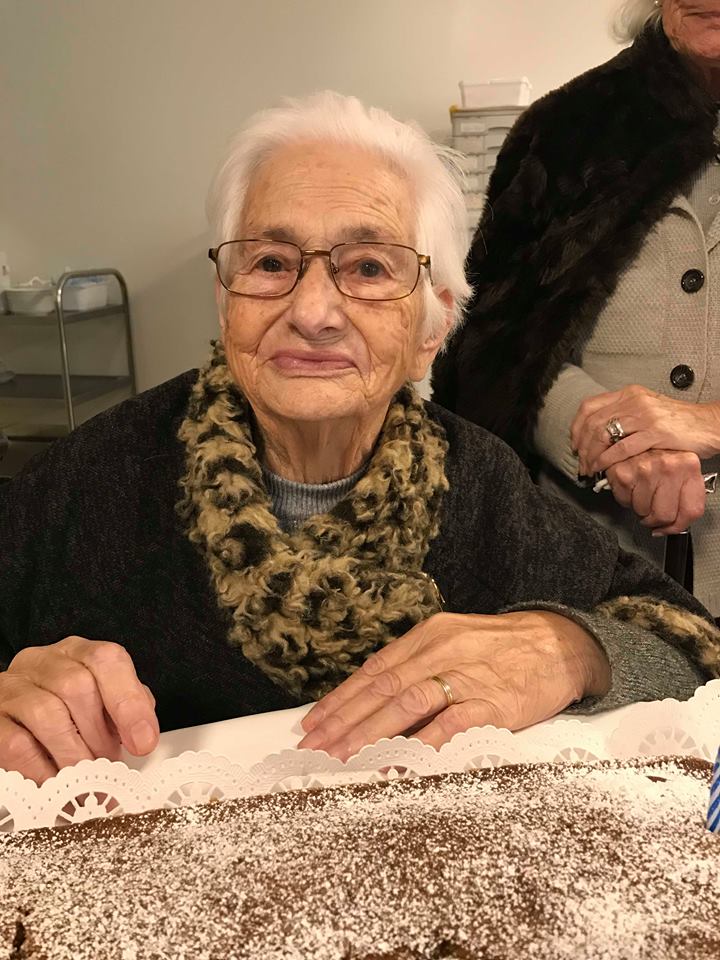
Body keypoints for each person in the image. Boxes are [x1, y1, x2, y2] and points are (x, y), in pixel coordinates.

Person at [0, 92, 717, 786]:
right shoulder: (94, 477)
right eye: (271, 263)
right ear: (225, 298)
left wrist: (573, 648)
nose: (313, 312)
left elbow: (689, 638)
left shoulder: (481, 485)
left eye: (369, 268)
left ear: (432, 329)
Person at [433, 0, 720, 618]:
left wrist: (708, 423)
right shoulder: (565, 131)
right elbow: (493, 346)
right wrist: (611, 438)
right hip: (583, 574)